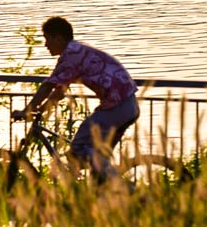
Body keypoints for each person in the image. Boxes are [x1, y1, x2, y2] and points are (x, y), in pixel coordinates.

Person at [12, 16, 139, 182]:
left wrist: (27, 110)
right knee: (98, 161)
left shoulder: (71, 54)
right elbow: (59, 91)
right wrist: (41, 109)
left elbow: (48, 85)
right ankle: (101, 198)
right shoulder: (77, 50)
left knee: (77, 151)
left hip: (116, 107)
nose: (45, 45)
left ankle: (126, 191)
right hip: (127, 105)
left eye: (47, 39)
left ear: (57, 37)